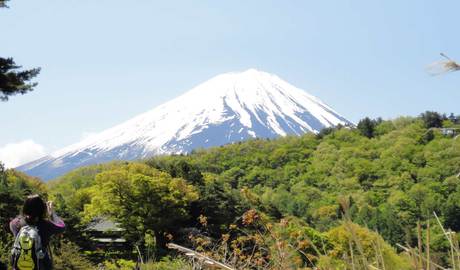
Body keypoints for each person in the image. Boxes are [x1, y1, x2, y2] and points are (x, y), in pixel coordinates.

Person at [10, 194, 65, 270]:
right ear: (42, 208)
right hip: (41, 266)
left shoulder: (15, 223)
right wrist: (52, 213)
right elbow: (62, 226)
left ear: (25, 207)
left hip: (19, 266)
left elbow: (20, 220)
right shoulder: (46, 225)